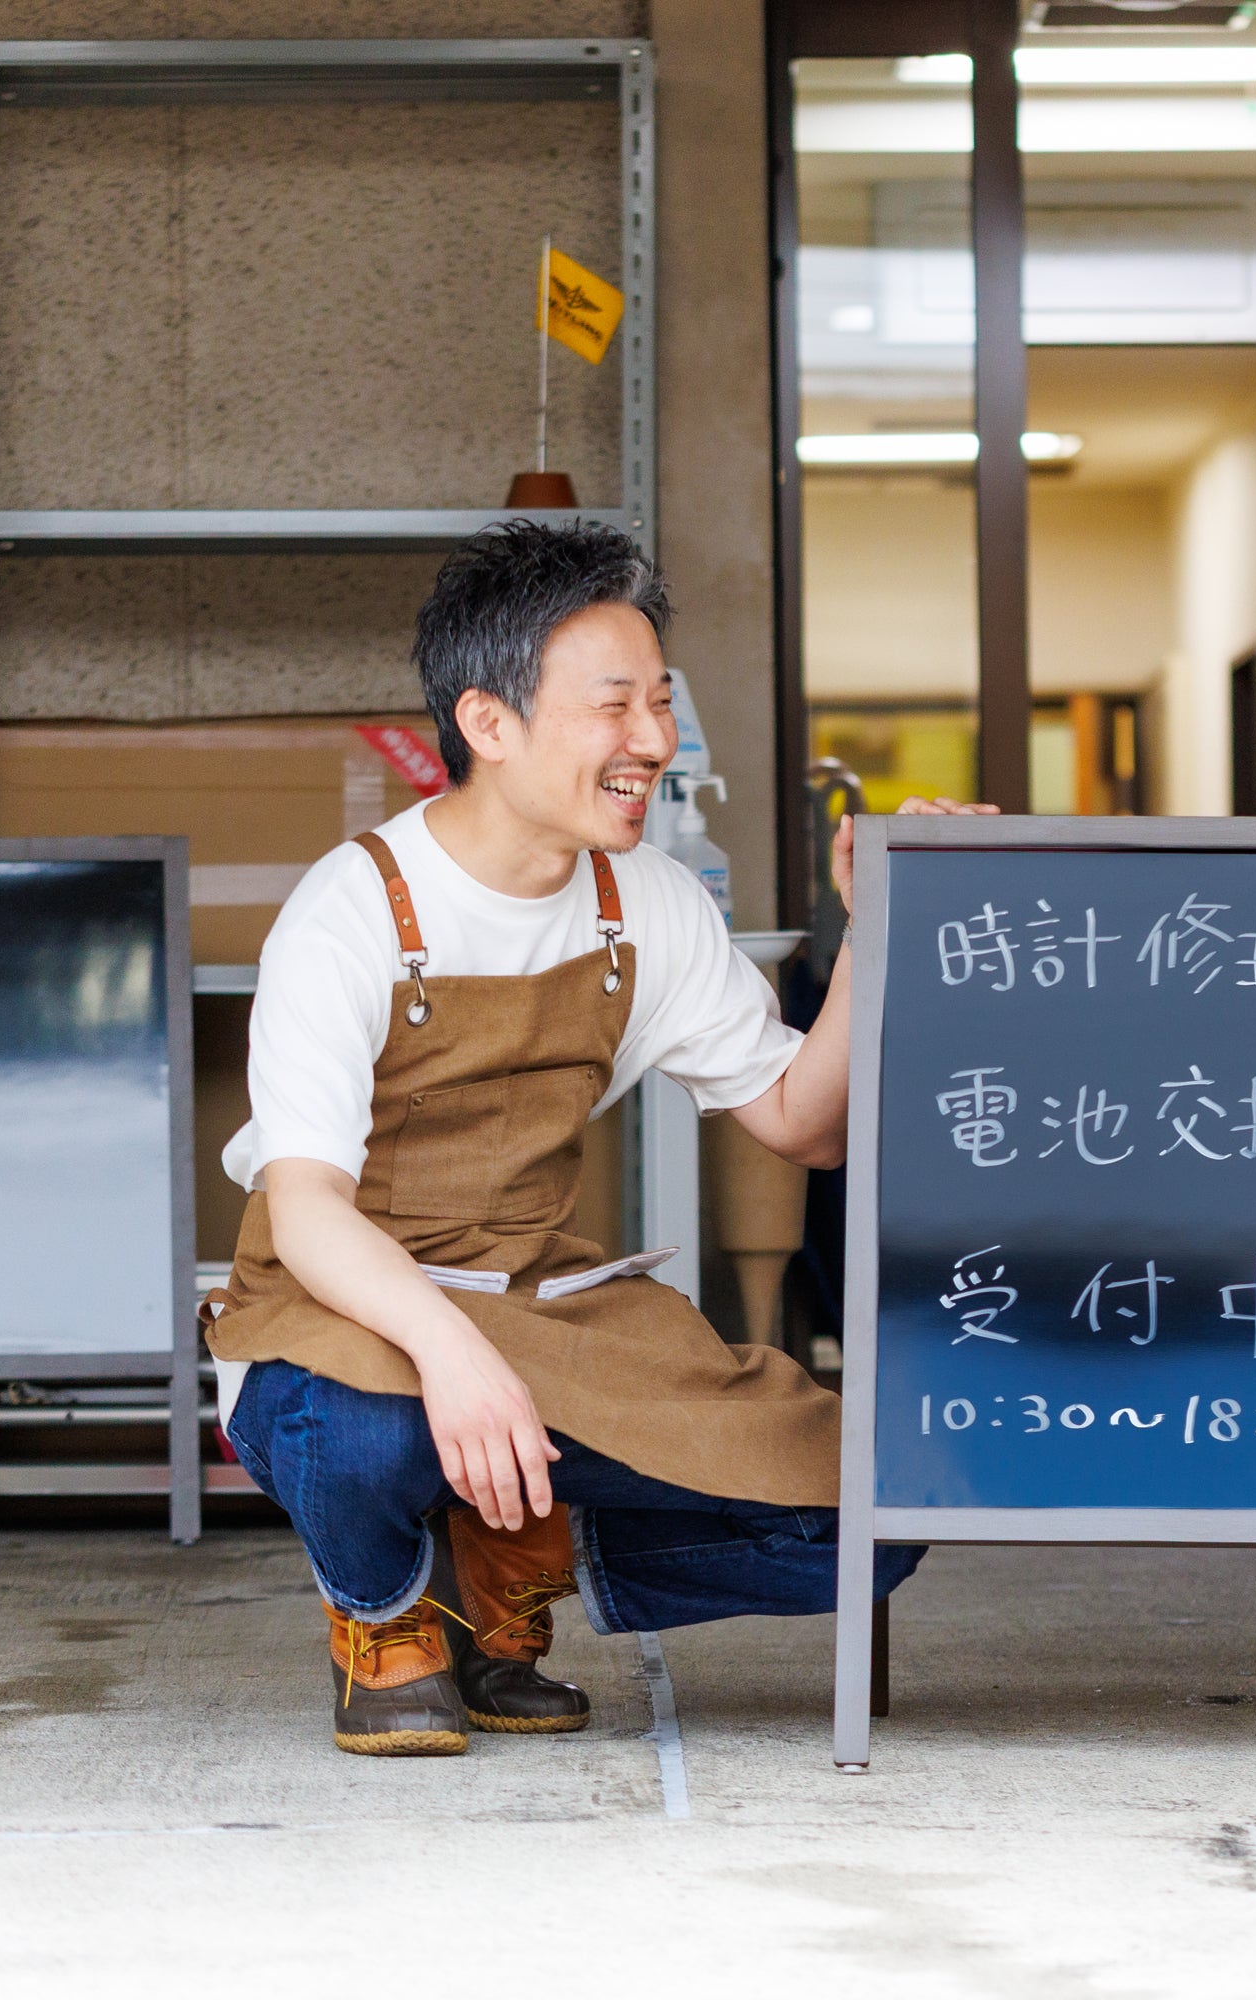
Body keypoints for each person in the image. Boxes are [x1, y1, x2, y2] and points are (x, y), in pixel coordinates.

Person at [209, 520, 986, 1756]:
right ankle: (385, 1608)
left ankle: (508, 1556)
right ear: (489, 721)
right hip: (340, 1308)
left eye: (660, 702)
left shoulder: (650, 904)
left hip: (541, 1300)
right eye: (615, 705)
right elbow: (304, 1207)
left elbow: (806, 1124)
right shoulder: (351, 908)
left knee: (869, 1508)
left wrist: (875, 927)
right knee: (366, 1433)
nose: (654, 741)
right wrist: (452, 1354)